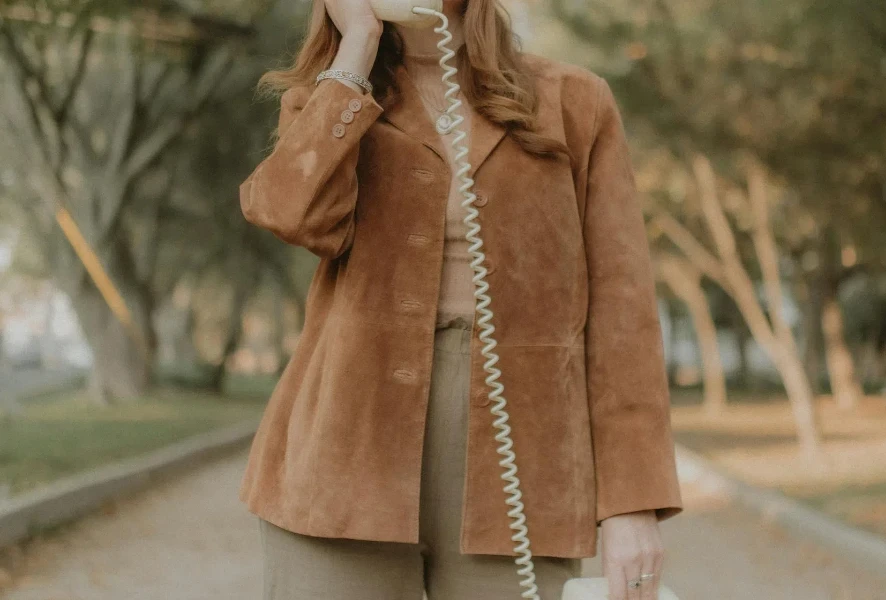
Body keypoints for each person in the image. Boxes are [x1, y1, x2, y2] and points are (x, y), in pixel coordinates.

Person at [237, 1, 684, 599]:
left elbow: (622, 312)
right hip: (343, 460)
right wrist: (358, 45)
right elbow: (287, 213)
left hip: (524, 468)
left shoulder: (575, 101)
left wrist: (634, 505)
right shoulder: (332, 96)